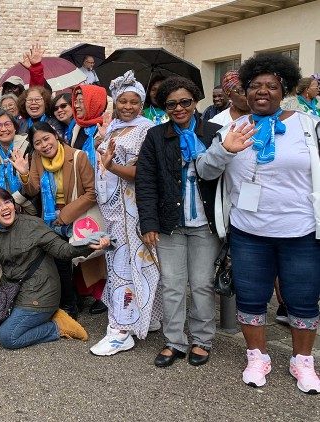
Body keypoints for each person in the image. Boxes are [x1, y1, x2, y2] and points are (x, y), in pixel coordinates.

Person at [196, 54, 320, 393]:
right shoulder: (229, 128)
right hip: (248, 232)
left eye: (271, 86)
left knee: (303, 299)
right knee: (251, 297)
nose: (262, 92)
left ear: (284, 90)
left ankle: (303, 362)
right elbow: (205, 171)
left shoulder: (308, 125)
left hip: (301, 231)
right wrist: (226, 150)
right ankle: (257, 356)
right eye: (255, 86)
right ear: (245, 91)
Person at [0, 188, 111, 349]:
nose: (5, 207)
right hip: (11, 293)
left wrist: (89, 245)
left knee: (8, 337)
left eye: (7, 202)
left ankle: (57, 326)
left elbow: (63, 251)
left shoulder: (33, 225)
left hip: (40, 292)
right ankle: (23, 321)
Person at [135, 76, 221, 368]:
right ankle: (174, 340)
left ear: (196, 101)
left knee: (201, 284)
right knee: (172, 284)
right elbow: (145, 182)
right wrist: (148, 223)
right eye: (171, 104)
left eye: (185, 102)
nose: (179, 108)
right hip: (170, 222)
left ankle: (201, 339)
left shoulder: (214, 132)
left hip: (205, 224)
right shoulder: (156, 136)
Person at [88, 71, 161, 356]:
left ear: (141, 104)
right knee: (125, 264)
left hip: (131, 211)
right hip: (112, 212)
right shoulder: (114, 126)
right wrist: (100, 143)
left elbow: (141, 173)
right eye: (122, 101)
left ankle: (120, 330)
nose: (128, 106)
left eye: (133, 102)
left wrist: (111, 165)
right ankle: (146, 317)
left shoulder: (146, 130)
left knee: (126, 267)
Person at [11, 122, 97, 318]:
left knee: (74, 260)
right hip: (50, 219)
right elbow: (32, 190)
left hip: (75, 216)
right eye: (38, 142)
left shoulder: (78, 156)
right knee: (59, 261)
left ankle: (74, 300)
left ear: (55, 136)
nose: (44, 145)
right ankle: (69, 305)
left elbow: (92, 193)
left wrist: (65, 215)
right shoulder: (37, 159)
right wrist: (24, 172)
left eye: (46, 138)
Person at [69, 84, 109, 311]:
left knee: (96, 243)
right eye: (76, 100)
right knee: (82, 241)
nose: (77, 105)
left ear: (95, 102)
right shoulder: (76, 127)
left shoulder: (103, 127)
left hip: (98, 196)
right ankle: (87, 290)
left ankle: (101, 294)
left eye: (82, 101)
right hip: (79, 193)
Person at [0, 110, 35, 214]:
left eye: (7, 124)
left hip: (29, 205)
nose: (3, 129)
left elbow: (35, 182)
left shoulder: (28, 145)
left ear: (15, 127)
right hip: (3, 208)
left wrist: (13, 200)